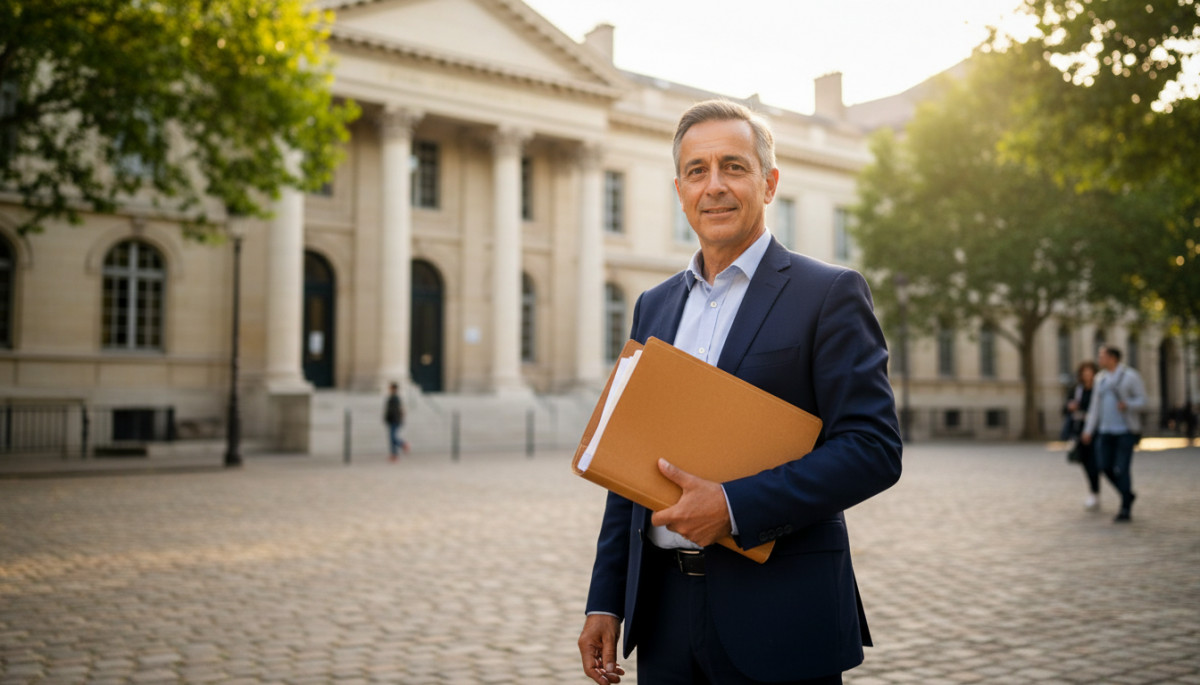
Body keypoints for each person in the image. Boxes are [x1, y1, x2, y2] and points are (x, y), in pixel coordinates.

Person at [577, 100, 903, 685]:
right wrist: (606, 599)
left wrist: (732, 507)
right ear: (680, 190)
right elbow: (624, 464)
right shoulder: (654, 305)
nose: (715, 186)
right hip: (664, 616)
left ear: (769, 182)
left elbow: (873, 448)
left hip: (780, 612)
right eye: (698, 171)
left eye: (734, 166)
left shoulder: (828, 293)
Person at [1081, 345, 1146, 522]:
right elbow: (1095, 408)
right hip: (1104, 431)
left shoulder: (1131, 376)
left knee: (1122, 468)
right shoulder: (1100, 379)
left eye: (1102, 356)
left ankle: (1125, 508)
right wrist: (1088, 430)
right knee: (1103, 466)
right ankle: (1127, 494)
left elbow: (1142, 400)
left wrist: (1128, 405)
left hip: (1125, 431)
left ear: (1112, 358)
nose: (1099, 359)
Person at [1065, 361, 1100, 509]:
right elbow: (1066, 408)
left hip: (1098, 430)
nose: (1087, 375)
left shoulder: (1099, 389)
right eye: (1084, 372)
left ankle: (1096, 491)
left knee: (1098, 462)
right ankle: (1094, 492)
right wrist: (1070, 406)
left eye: (1089, 371)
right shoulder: (1076, 390)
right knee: (1087, 462)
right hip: (1080, 429)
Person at [383, 382, 409, 461]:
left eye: (390, 387)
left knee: (393, 437)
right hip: (393, 420)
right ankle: (394, 454)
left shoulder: (395, 398)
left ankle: (402, 444)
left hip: (394, 420)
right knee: (392, 438)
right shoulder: (393, 398)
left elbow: (394, 411)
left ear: (393, 388)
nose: (389, 389)